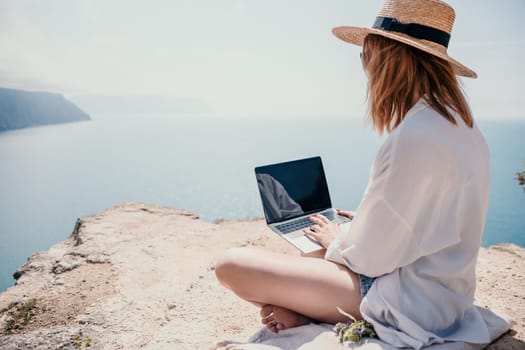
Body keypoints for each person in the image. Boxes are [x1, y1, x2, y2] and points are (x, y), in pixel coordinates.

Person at [214, 0, 491, 348]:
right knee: (315, 248)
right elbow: (426, 222)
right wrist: (354, 230)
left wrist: (340, 240)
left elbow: (372, 259)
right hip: (446, 295)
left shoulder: (414, 136)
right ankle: (307, 309)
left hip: (407, 302)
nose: (364, 66)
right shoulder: (461, 126)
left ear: (386, 58)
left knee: (232, 265)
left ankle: (310, 313)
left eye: (365, 54)